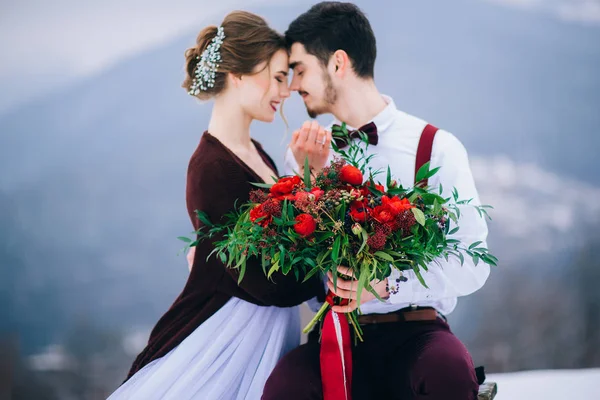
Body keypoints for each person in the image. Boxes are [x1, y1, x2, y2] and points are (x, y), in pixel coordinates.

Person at [262, 2, 490, 399]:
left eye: (299, 69)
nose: (293, 85)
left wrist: (386, 285)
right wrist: (307, 182)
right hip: (333, 334)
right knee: (286, 385)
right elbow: (292, 264)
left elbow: (472, 263)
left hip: (416, 333)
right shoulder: (303, 153)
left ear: (337, 63)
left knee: (447, 370)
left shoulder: (435, 147)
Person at [108, 10, 325, 400]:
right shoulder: (211, 168)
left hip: (263, 330)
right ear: (238, 74)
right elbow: (264, 281)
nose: (285, 90)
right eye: (276, 77)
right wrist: (331, 269)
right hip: (225, 338)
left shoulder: (255, 151)